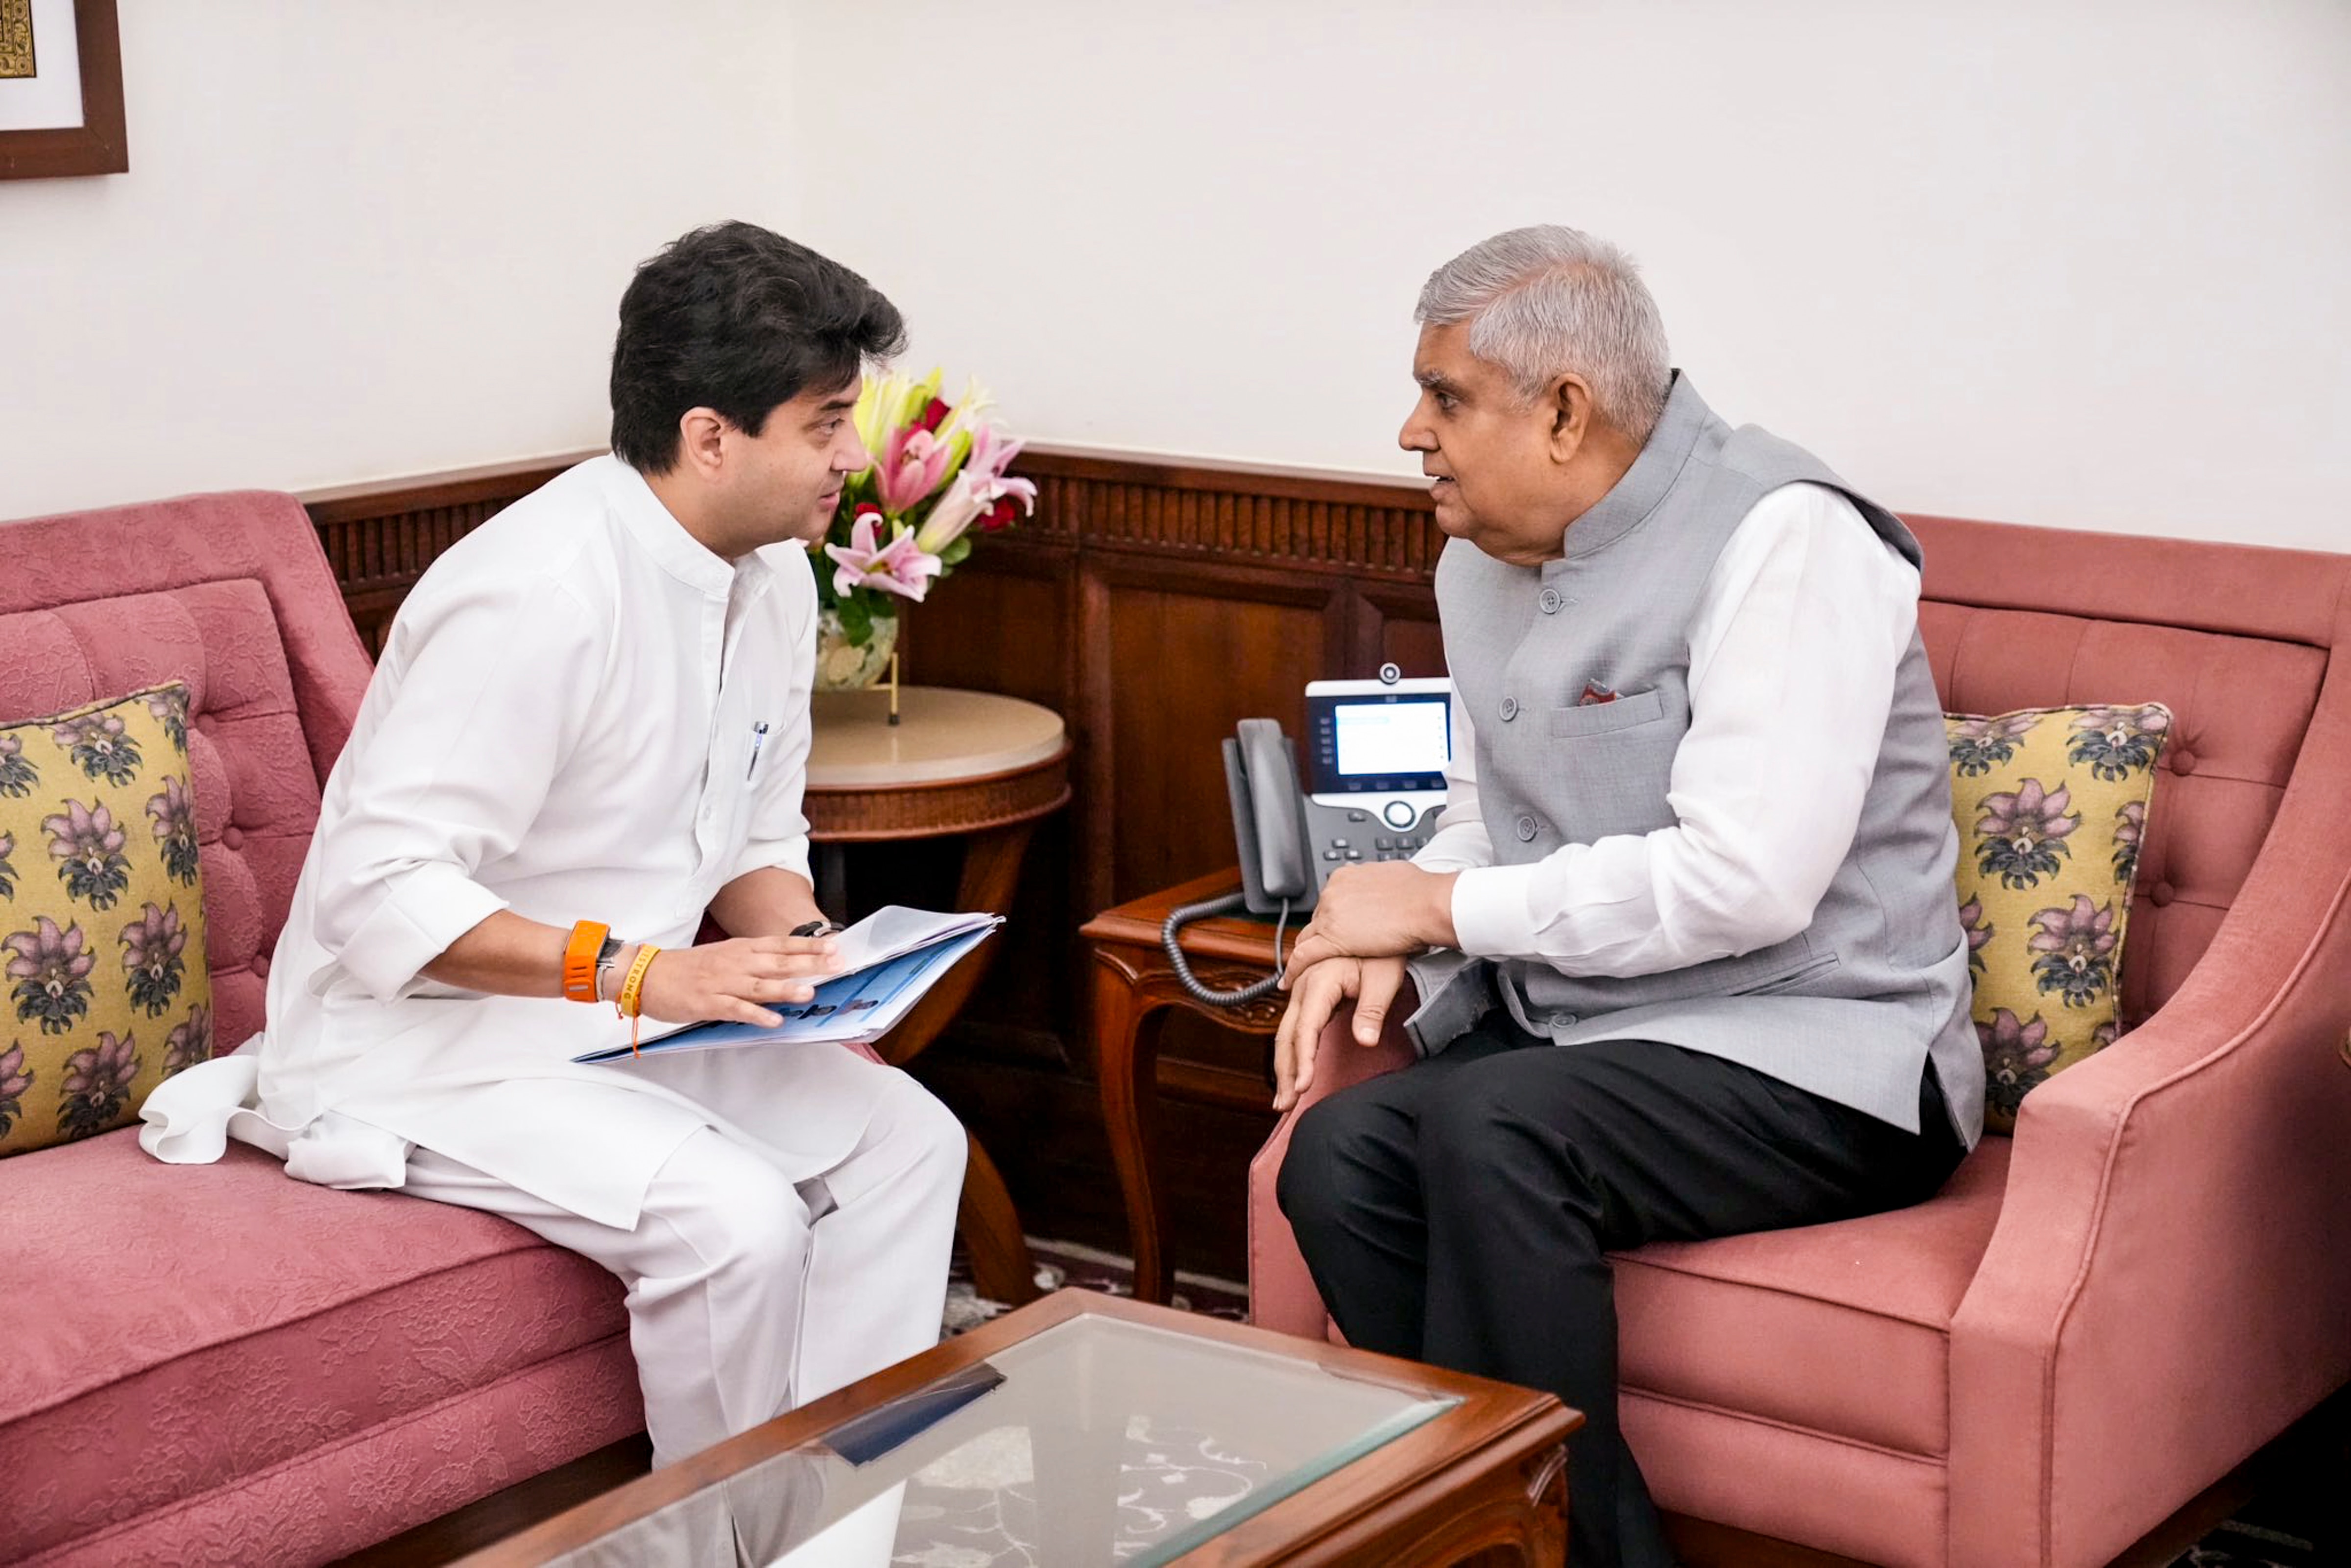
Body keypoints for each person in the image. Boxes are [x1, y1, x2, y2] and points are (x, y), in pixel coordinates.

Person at [143, 221, 967, 1468]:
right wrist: (648, 975)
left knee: (911, 1140)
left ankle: (832, 1532)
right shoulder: (536, 593)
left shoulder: (776, 577)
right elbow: (380, 899)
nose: (851, 459)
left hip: (616, 1016)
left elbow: (750, 826)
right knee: (733, 1221)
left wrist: (810, 954)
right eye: (826, 425)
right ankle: (716, 1546)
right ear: (709, 436)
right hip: (419, 1042)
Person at [1269, 226, 1982, 1568]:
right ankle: (1514, 1546)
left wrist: (1431, 912)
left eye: (1445, 397)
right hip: (1608, 1038)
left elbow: (1748, 878)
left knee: (1491, 1127)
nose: (1411, 431)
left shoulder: (1788, 536)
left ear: (1562, 410)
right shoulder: (1477, 555)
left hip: (1838, 1050)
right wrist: (1388, 941)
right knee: (1341, 1157)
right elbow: (1493, 818)